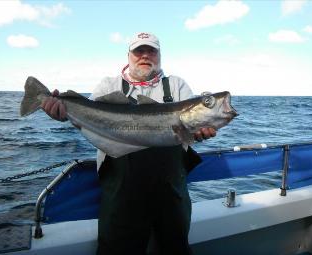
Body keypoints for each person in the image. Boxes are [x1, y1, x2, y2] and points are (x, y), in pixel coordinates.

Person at [42, 32, 216, 255]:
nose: (145, 56)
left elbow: (190, 129)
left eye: (151, 51)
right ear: (129, 55)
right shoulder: (108, 85)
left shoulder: (176, 85)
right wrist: (64, 113)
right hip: (121, 191)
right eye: (139, 51)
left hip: (171, 191)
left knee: (175, 247)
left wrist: (200, 132)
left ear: (159, 55)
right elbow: (87, 122)